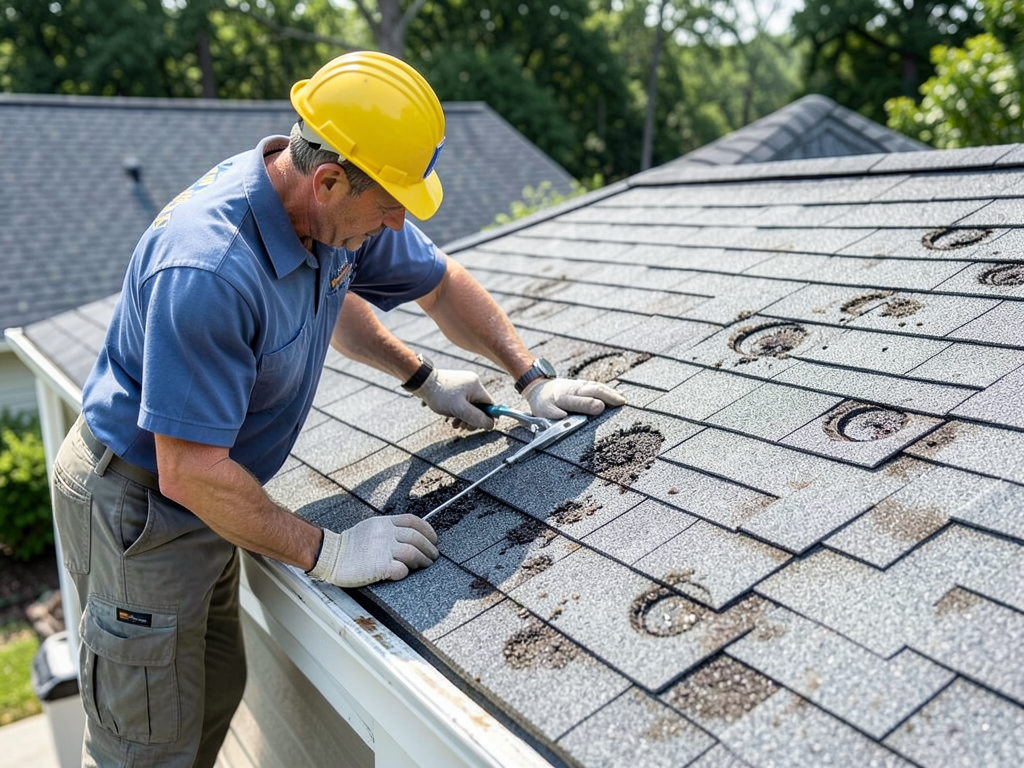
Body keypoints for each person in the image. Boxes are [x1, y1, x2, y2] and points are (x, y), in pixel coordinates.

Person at [50, 50, 624, 768]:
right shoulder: (207, 270)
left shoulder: (327, 213)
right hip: (141, 504)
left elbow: (428, 286)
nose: (394, 225)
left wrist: (515, 376)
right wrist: (329, 550)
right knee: (147, 744)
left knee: (212, 692)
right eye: (388, 209)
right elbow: (188, 471)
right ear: (327, 180)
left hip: (203, 491)